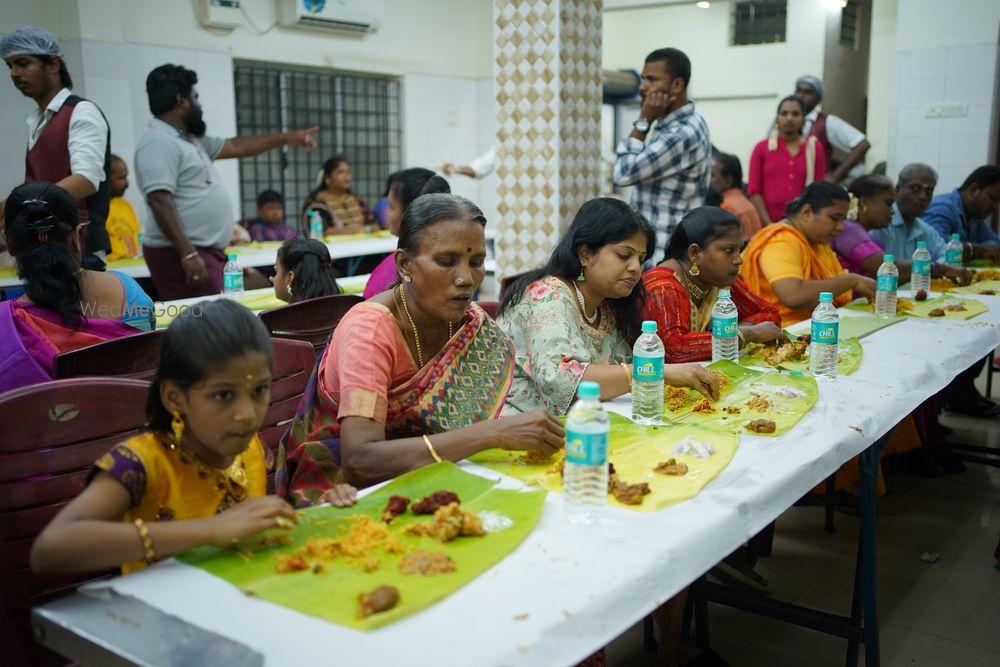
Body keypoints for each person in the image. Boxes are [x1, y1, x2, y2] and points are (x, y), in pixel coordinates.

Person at [29, 299, 359, 577]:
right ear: (175, 398)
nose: (246, 413)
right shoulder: (143, 463)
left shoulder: (249, 449)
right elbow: (50, 549)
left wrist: (318, 511)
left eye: (258, 391)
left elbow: (250, 532)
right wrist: (211, 530)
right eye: (223, 396)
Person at [276, 193, 564, 503]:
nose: (467, 279)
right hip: (342, 495)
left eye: (476, 262)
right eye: (446, 261)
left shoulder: (468, 321)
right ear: (404, 264)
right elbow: (360, 461)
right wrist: (493, 434)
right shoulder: (370, 331)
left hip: (435, 476)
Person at [498, 197, 719, 415]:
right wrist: (654, 372)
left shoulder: (605, 306)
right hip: (514, 430)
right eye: (624, 255)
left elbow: (620, 369)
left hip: (577, 422)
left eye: (641, 260)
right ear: (585, 255)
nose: (635, 268)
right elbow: (560, 381)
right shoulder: (547, 297)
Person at [135, 64, 317, 300]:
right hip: (180, 253)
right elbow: (159, 200)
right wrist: (188, 255)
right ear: (182, 101)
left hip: (202, 251)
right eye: (195, 97)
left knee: (216, 318)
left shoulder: (188, 140)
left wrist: (286, 138)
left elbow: (235, 146)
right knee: (206, 323)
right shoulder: (158, 142)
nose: (200, 105)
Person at [0, 183, 155, 394]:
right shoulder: (129, 292)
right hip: (132, 421)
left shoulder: (6, 327)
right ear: (76, 236)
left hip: (48, 426)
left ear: (10, 244)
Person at [1, 26, 111, 271]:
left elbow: (86, 180)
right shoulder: (38, 120)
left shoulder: (81, 112)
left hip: (78, 248)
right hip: (44, 247)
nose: (15, 73)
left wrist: (17, 205)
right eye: (10, 66)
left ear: (53, 65)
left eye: (22, 63)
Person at [641, 207, 784, 363]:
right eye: (729, 250)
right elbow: (674, 349)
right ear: (695, 253)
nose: (739, 259)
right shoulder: (662, 286)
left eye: (739, 249)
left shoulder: (716, 279)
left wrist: (733, 332)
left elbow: (768, 313)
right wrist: (745, 335)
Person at [612, 48, 711, 262]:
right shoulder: (680, 124)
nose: (642, 87)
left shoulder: (681, 132)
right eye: (642, 79)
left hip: (664, 254)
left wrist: (643, 121)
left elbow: (623, 173)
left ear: (677, 85)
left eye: (652, 80)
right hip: (658, 248)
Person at [740, 181, 875, 326]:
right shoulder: (780, 241)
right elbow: (793, 296)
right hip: (781, 330)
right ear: (806, 212)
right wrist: (851, 281)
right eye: (835, 218)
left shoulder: (815, 241)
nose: (840, 227)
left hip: (813, 323)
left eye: (843, 220)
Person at [869, 164, 970, 283]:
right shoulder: (879, 225)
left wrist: (942, 267)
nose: (923, 196)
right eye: (916, 189)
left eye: (929, 191)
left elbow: (946, 257)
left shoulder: (923, 228)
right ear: (898, 189)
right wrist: (935, 269)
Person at [363, 168, 450, 299]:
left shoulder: (397, 269)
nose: (387, 212)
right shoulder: (452, 264)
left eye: (391, 206)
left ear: (411, 214)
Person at [748, 96, 827, 226]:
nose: (789, 118)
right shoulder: (761, 148)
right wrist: (769, 224)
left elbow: (818, 191)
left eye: (795, 114)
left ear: (803, 119)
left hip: (804, 226)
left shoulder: (814, 148)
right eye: (784, 113)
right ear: (777, 119)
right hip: (768, 225)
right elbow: (754, 191)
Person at [787, 75, 871, 183]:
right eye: (798, 91)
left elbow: (862, 144)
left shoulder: (826, 122)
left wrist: (836, 176)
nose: (801, 96)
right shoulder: (785, 120)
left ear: (818, 99)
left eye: (808, 92)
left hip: (814, 187)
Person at [923, 165, 1000, 263]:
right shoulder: (942, 208)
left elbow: (995, 246)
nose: (995, 207)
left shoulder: (974, 216)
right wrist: (979, 250)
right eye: (993, 198)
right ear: (974, 190)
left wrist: (974, 249)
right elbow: (936, 248)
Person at [301, 156, 379, 236]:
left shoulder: (356, 199)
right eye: (340, 172)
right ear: (327, 177)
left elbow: (375, 225)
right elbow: (319, 232)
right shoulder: (317, 202)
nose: (346, 176)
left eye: (348, 172)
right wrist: (350, 230)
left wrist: (365, 229)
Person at [271, 238, 341, 303]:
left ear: (290, 278)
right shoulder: (346, 307)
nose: (273, 279)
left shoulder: (280, 316)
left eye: (276, 272)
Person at [712, 152, 762, 240]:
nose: (707, 180)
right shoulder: (748, 203)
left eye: (712, 175)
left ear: (728, 181)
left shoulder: (724, 207)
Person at [105, 155, 141, 261]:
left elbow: (137, 235)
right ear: (105, 179)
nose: (127, 183)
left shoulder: (125, 205)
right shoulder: (94, 210)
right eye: (121, 178)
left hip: (132, 267)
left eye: (126, 177)